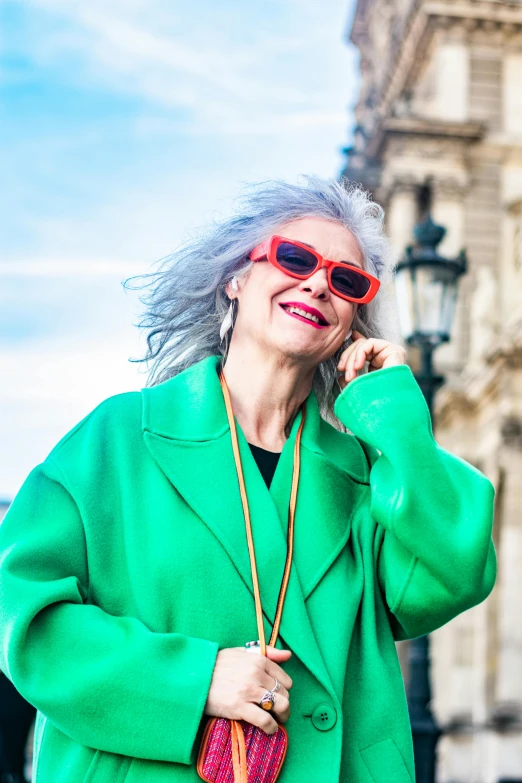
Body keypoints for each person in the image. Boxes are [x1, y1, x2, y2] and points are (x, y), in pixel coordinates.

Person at [0, 177, 496, 783]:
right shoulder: (118, 437)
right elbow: (20, 612)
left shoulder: (365, 475)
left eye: (347, 280)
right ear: (236, 278)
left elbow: (454, 572)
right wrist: (195, 677)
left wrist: (390, 411)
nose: (318, 283)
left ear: (352, 324)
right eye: (295, 257)